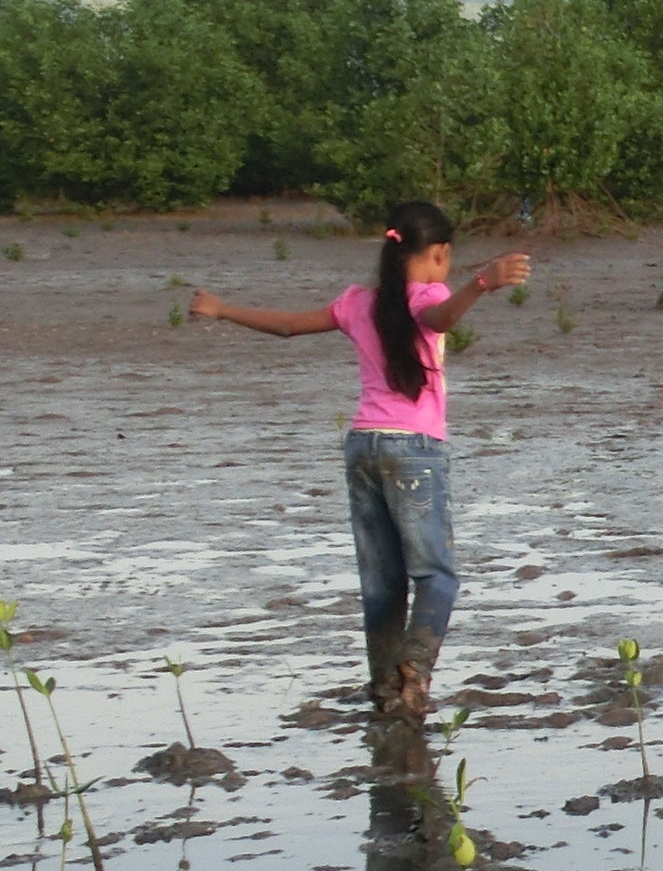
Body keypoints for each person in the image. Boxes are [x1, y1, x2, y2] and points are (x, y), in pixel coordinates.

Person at [190, 200, 533, 715]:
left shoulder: (358, 303)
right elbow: (439, 316)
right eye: (449, 259)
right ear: (438, 254)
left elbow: (287, 325)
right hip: (415, 449)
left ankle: (385, 689)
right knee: (437, 576)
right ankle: (414, 669)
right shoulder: (430, 296)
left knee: (382, 582)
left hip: (362, 447)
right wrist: (481, 283)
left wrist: (222, 309)